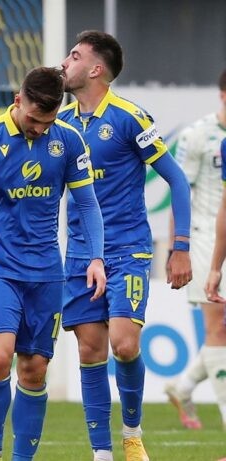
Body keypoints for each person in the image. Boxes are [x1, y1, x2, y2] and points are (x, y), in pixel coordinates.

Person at [0, 66, 107, 461]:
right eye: (33, 119)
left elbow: (87, 204)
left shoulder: (68, 140)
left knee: (34, 368)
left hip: (47, 273)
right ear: (18, 100)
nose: (39, 128)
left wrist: (96, 257)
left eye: (47, 122)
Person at [59, 30, 192, 461]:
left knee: (125, 344)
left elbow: (176, 180)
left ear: (96, 69)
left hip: (127, 249)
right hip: (80, 253)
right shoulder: (60, 122)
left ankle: (132, 435)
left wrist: (181, 246)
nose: (64, 62)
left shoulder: (130, 117)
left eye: (74, 56)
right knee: (90, 350)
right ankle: (102, 453)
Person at [164, 69, 226, 431]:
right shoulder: (197, 135)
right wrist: (177, 248)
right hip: (206, 240)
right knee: (218, 330)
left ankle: (184, 385)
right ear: (222, 95)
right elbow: (179, 192)